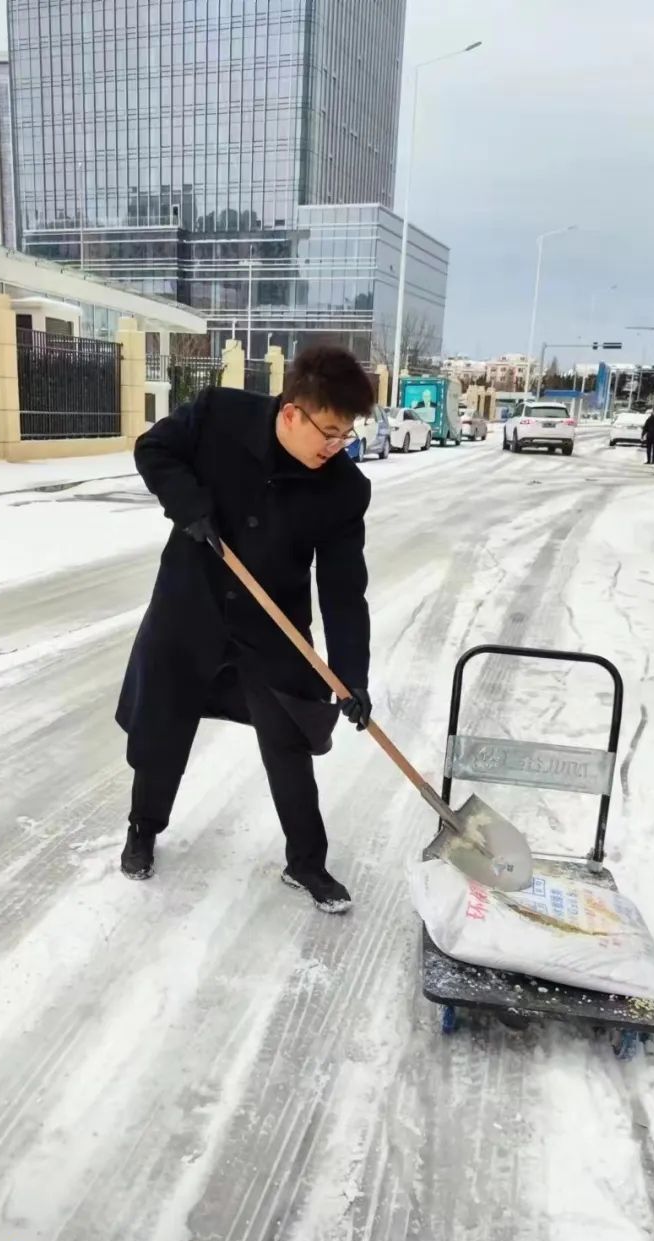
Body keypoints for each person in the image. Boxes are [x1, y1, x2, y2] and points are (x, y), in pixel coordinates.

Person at [115, 344, 377, 914]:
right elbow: (154, 448)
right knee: (162, 726)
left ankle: (306, 863)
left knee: (287, 742)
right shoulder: (217, 415)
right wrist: (189, 505)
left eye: (345, 436)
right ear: (291, 412)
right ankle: (143, 829)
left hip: (272, 626)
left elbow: (342, 589)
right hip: (190, 607)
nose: (336, 447)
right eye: (328, 433)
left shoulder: (343, 489)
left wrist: (350, 677)